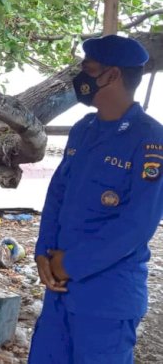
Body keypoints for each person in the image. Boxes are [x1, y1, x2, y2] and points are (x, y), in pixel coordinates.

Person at [29, 35, 163, 363]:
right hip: (59, 291)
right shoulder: (83, 129)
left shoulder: (149, 139)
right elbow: (57, 195)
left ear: (112, 76)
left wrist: (68, 265)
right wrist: (43, 254)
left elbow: (137, 225)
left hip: (105, 298)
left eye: (88, 69)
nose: (80, 77)